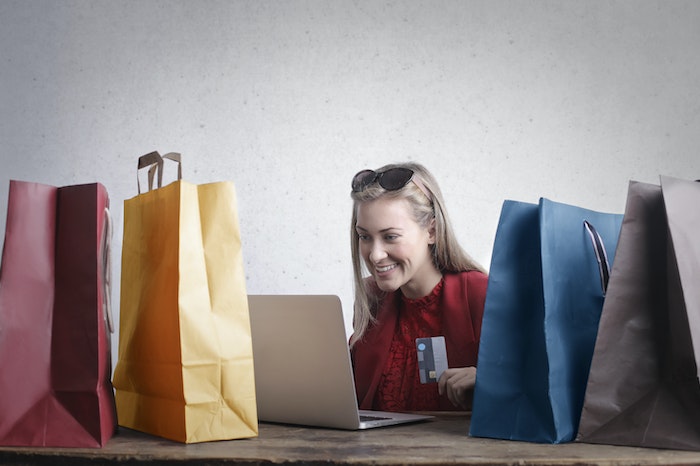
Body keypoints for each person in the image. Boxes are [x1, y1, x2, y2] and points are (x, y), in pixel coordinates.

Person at [349, 162, 488, 411]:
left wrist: (492, 382)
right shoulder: (372, 299)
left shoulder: (480, 294)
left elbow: (536, 383)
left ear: (432, 231)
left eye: (390, 236)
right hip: (377, 449)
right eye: (365, 236)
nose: (375, 254)